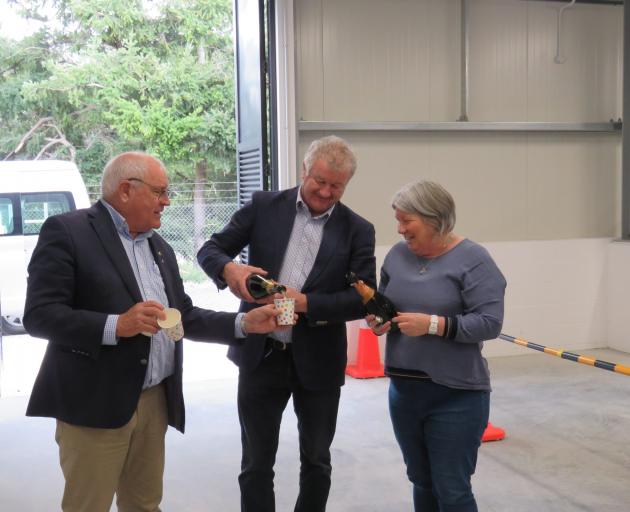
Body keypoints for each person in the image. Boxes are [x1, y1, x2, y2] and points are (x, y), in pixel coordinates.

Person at [23, 151, 283, 512]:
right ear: (127, 190)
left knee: (144, 505)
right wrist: (117, 325)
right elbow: (39, 315)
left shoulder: (159, 246)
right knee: (88, 506)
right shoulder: (68, 232)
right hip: (94, 404)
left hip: (154, 400)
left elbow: (183, 317)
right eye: (160, 191)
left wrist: (243, 323)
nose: (167, 200)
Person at [197, 135, 376, 512]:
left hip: (320, 363)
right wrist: (231, 269)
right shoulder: (265, 206)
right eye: (320, 181)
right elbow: (210, 249)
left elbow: (362, 298)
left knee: (316, 460)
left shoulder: (358, 230)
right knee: (256, 463)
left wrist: (306, 303)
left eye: (337, 186)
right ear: (304, 171)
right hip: (262, 356)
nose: (326, 192)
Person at [369, 180, 506, 512]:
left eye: (406, 221)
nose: (400, 229)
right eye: (398, 221)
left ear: (434, 219)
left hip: (456, 395)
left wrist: (432, 324)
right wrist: (377, 319)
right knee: (421, 480)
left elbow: (490, 323)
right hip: (404, 393)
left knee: (452, 489)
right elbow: (382, 301)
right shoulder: (397, 256)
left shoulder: (474, 260)